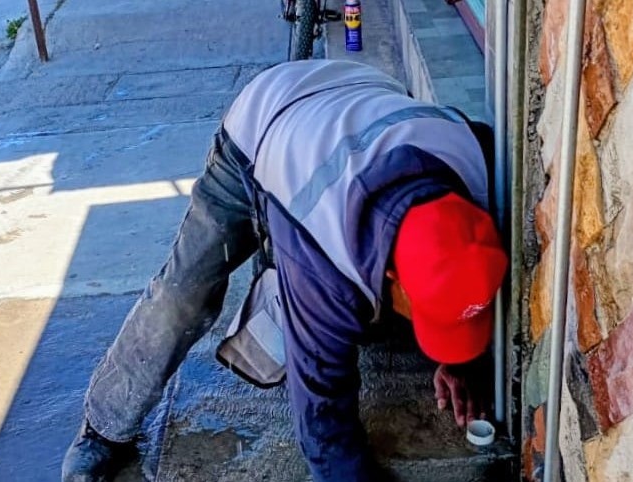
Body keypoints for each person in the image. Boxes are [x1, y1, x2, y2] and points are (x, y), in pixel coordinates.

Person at [62, 59, 508, 482]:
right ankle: (104, 426)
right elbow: (323, 417)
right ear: (391, 273)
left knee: (360, 311)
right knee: (187, 292)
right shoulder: (319, 238)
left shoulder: (486, 168)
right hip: (262, 122)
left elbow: (454, 270)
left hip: (361, 95)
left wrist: (457, 359)